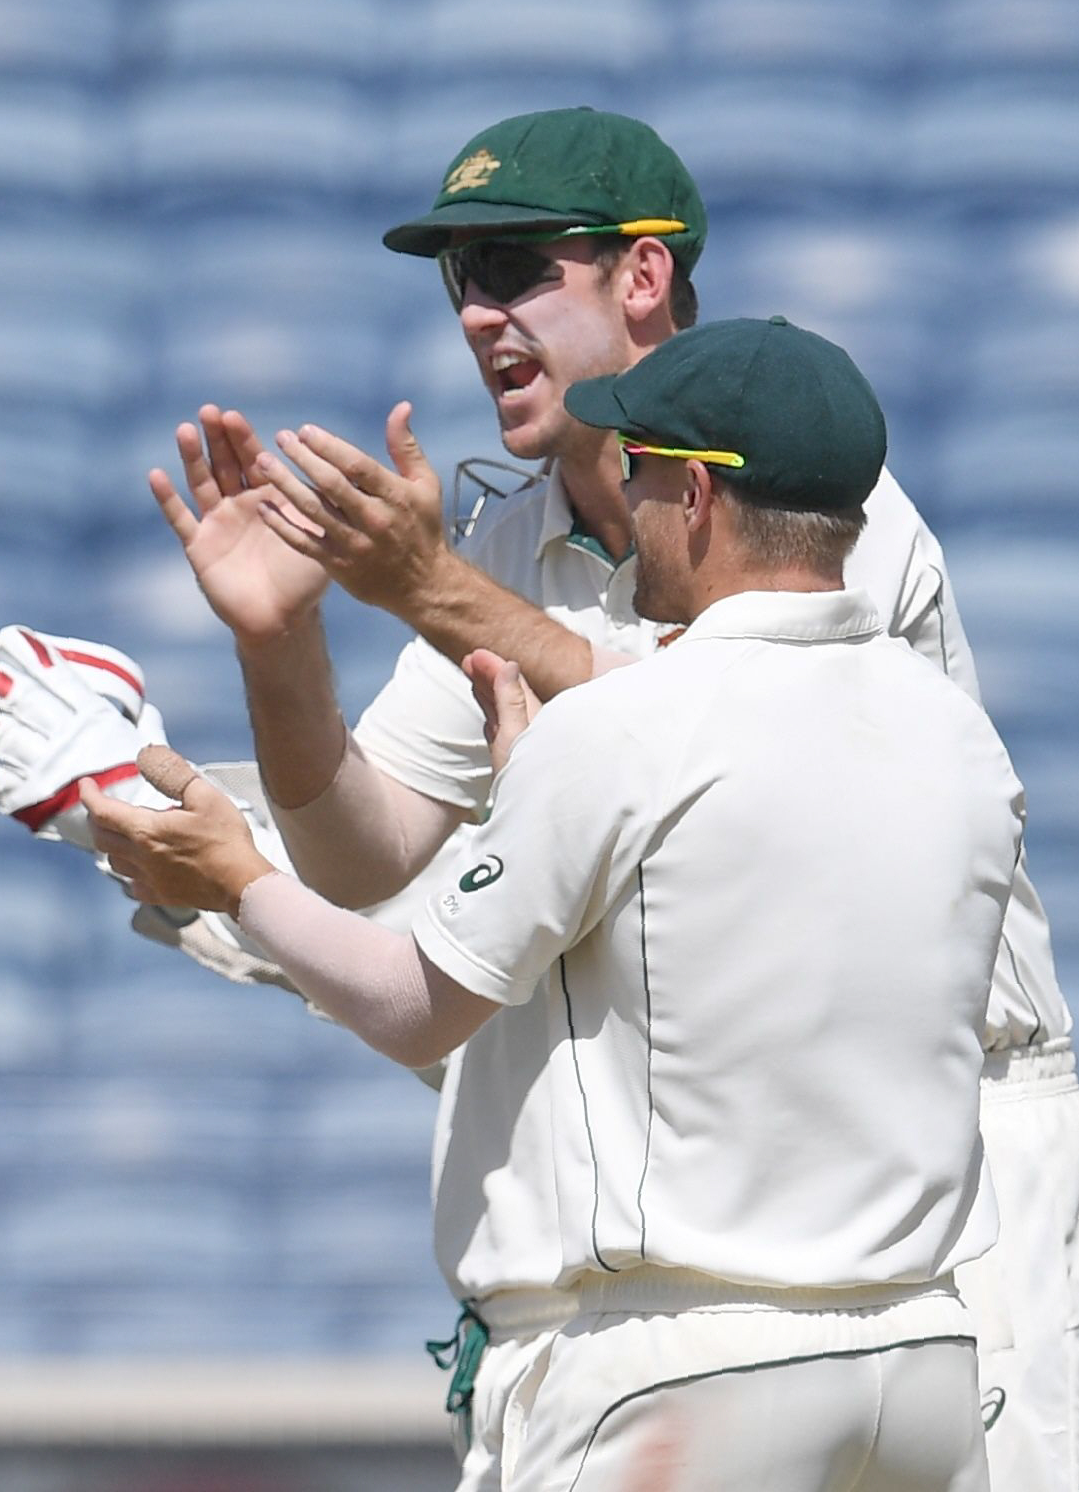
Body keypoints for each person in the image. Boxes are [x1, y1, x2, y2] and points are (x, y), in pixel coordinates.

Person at [0, 108, 1077, 1488]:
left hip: (964, 1156)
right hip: (733, 1222)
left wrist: (418, 601)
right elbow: (365, 853)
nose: (479, 314)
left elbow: (712, 734)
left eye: (516, 267)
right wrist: (276, 637)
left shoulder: (818, 498)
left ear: (641, 277)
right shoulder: (509, 537)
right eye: (457, 279)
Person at [87, 316, 1010, 1491]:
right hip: (922, 1355)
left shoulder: (623, 726)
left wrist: (234, 878)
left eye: (638, 465)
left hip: (685, 1366)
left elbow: (412, 1005)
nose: (619, 489)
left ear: (698, 495)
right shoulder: (956, 732)